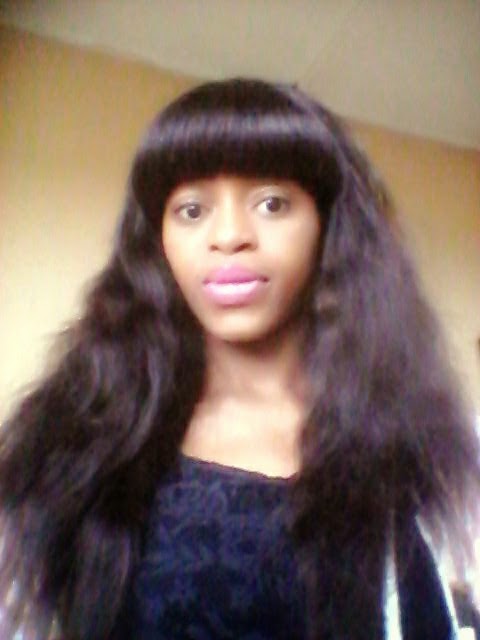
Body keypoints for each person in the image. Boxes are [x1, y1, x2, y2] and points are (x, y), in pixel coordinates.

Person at [0, 78, 478, 640]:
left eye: (272, 203)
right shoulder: (76, 439)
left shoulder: (428, 446)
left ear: (327, 230)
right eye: (191, 209)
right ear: (157, 241)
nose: (228, 236)